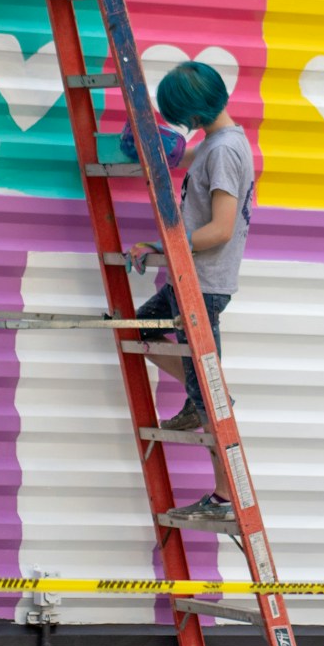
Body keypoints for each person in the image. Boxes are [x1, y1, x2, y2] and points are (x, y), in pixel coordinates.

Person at [127, 61, 254, 521]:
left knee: (209, 398)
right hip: (192, 281)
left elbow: (219, 229)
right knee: (137, 330)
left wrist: (163, 246)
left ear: (193, 112)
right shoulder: (220, 144)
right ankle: (201, 386)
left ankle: (224, 499)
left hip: (202, 284)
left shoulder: (223, 151)